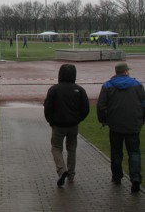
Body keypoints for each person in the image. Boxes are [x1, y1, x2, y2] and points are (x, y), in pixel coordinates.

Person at [97, 62, 145, 193]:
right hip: (133, 123)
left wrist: (103, 120)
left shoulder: (108, 85)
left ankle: (117, 177)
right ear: (125, 72)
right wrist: (142, 120)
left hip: (115, 124)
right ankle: (135, 177)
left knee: (116, 151)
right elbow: (144, 103)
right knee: (134, 152)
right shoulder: (138, 85)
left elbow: (101, 106)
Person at [44, 64, 89, 187]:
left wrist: (51, 121)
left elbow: (48, 107)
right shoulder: (80, 90)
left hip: (58, 125)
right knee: (72, 149)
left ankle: (62, 169)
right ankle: (71, 174)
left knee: (56, 148)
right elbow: (85, 109)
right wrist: (78, 119)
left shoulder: (54, 89)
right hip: (73, 125)